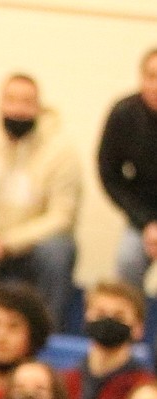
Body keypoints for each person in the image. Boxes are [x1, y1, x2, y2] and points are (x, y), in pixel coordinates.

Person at [0, 73, 81, 327]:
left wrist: (9, 243)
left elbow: (61, 217)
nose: (19, 109)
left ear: (38, 107)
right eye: (12, 100)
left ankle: (45, 333)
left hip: (31, 246)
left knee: (58, 250)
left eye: (27, 102)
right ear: (0, 104)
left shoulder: (61, 152)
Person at [61, 280, 154, 399]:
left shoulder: (144, 390)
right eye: (100, 314)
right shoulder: (63, 382)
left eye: (119, 316)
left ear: (138, 328)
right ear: (86, 319)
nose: (108, 321)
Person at [98, 48, 157, 290]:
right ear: (141, 78)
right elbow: (109, 174)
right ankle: (129, 325)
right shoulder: (124, 114)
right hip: (142, 218)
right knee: (127, 260)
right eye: (152, 76)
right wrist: (146, 223)